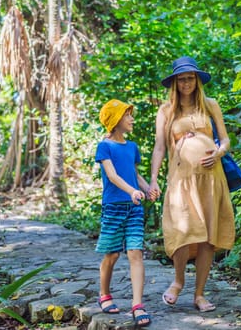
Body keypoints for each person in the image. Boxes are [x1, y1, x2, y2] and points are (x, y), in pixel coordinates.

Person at [148, 56, 235, 312]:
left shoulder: (210, 105)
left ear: (197, 80)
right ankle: (178, 281)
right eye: (181, 79)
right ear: (175, 83)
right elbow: (159, 147)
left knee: (208, 235)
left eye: (190, 78)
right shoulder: (166, 110)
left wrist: (218, 153)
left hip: (211, 178)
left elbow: (226, 140)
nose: (186, 83)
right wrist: (153, 178)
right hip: (182, 180)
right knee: (183, 231)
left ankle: (199, 294)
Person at [94, 99, 151, 327]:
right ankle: (104, 294)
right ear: (116, 120)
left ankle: (137, 304)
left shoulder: (132, 147)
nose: (132, 119)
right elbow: (112, 175)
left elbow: (134, 175)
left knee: (135, 253)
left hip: (134, 208)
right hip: (114, 207)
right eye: (128, 115)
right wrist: (132, 192)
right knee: (112, 255)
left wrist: (148, 188)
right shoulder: (104, 146)